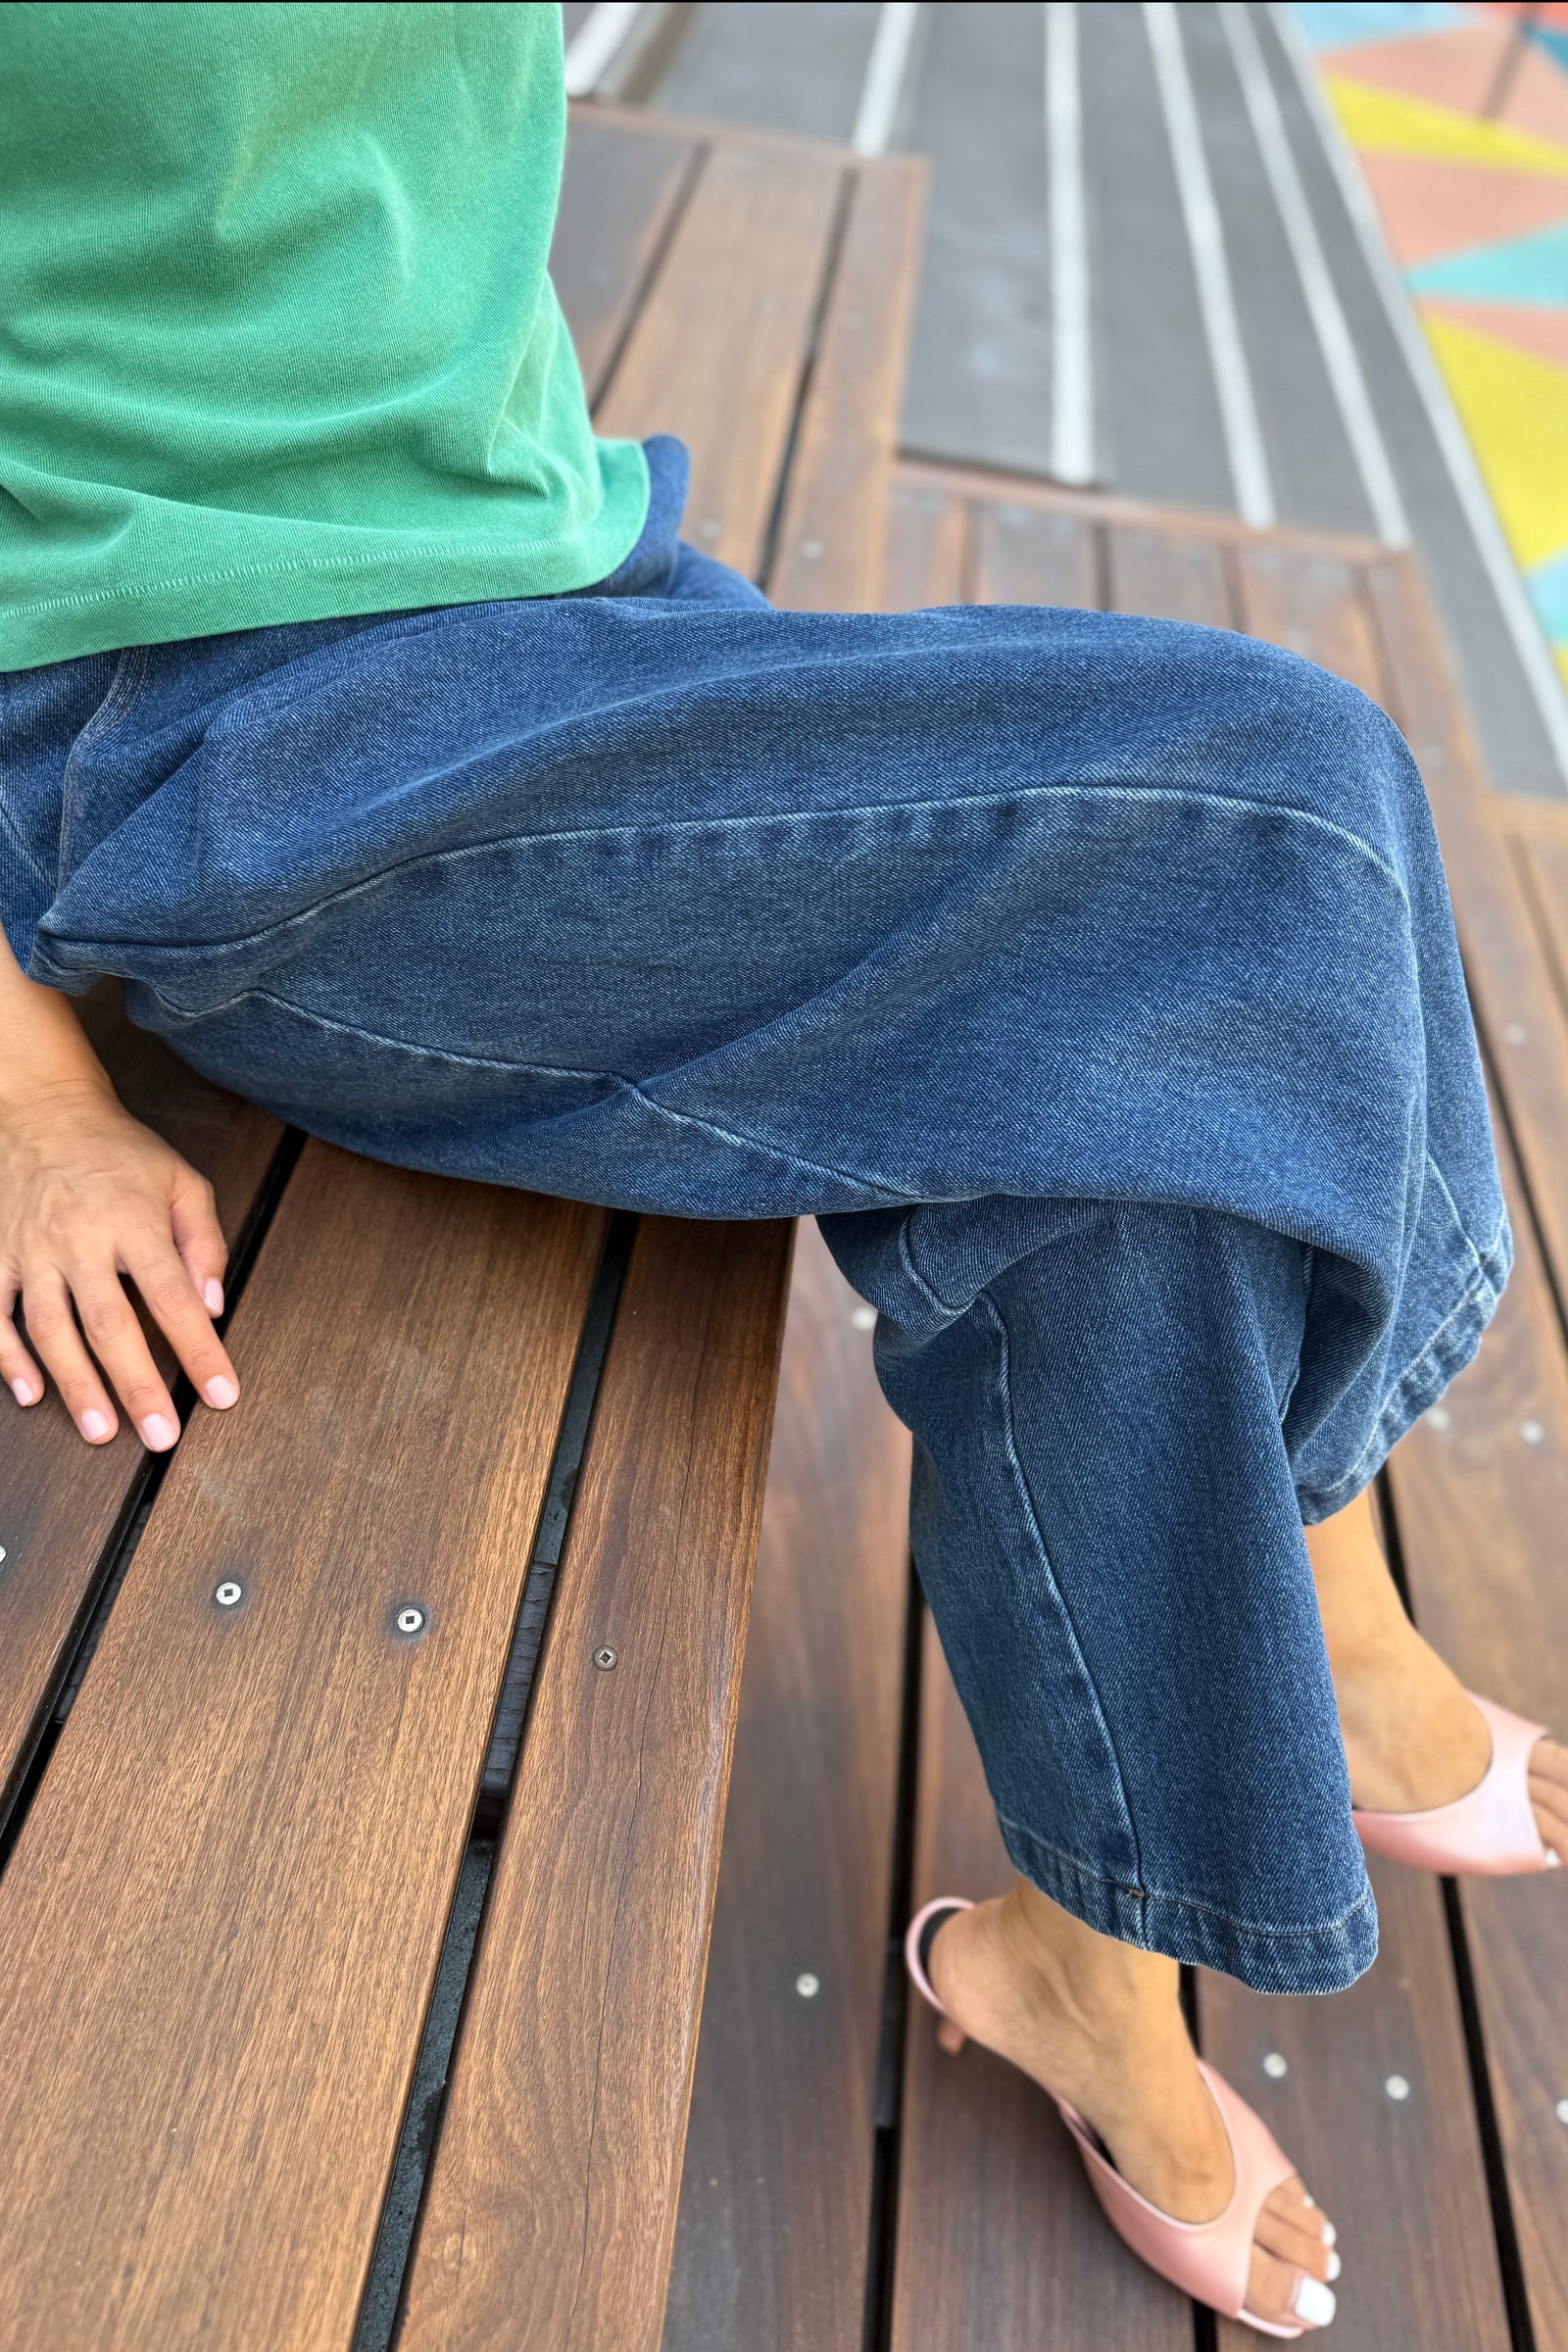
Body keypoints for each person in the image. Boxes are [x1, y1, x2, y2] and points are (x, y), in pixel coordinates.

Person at [0, 5, 1561, 2336]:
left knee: (1121, 1078)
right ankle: (1311, 1613)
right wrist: (26, 1095)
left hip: (562, 581)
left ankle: (1083, 1955)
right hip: (235, 726)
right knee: (1273, 816)